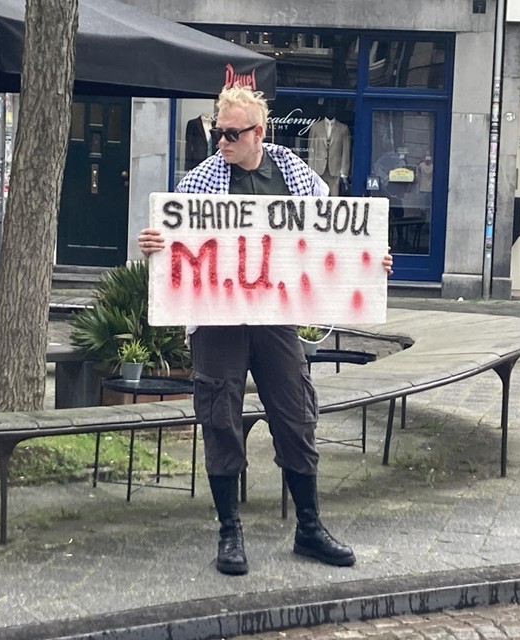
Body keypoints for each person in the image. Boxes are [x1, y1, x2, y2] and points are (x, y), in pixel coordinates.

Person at [138, 85, 392, 576]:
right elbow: (178, 241)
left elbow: (337, 232)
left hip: (275, 317)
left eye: (232, 135)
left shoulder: (295, 174)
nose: (222, 143)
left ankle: (310, 526)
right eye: (218, 132)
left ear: (259, 132)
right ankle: (229, 531)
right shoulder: (198, 182)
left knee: (296, 412)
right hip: (217, 320)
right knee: (220, 416)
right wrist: (156, 244)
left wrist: (370, 259)